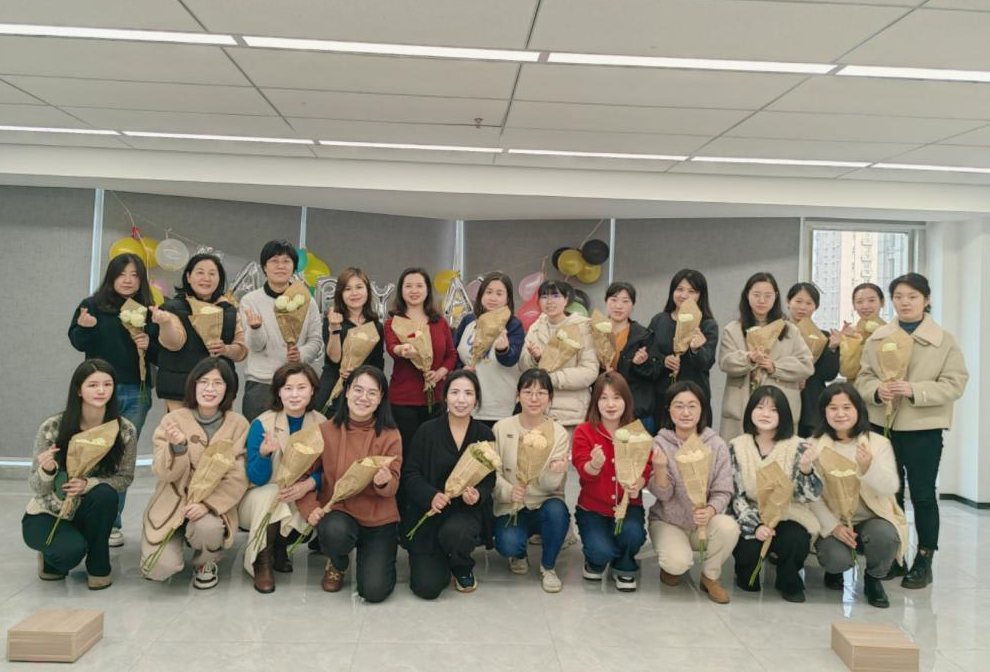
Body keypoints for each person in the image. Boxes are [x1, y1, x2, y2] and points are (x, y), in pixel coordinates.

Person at [855, 273, 968, 588]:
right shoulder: (877, 338)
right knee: (887, 493)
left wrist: (914, 389)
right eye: (899, 296)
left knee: (922, 495)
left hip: (922, 427)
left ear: (926, 300)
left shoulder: (943, 340)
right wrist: (877, 390)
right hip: (882, 425)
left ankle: (924, 559)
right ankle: (895, 556)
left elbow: (955, 383)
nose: (904, 302)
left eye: (912, 296)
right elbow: (862, 378)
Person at [68, 252, 163, 548]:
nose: (128, 280)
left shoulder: (148, 310)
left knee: (121, 459)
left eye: (134, 275)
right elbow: (77, 342)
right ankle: (82, 518)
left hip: (137, 391)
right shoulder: (92, 305)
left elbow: (161, 354)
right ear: (111, 276)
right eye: (122, 274)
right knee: (93, 453)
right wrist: (84, 328)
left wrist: (150, 344)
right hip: (99, 393)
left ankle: (111, 522)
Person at [23, 359, 137, 590]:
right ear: (78, 390)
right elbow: (37, 487)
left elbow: (125, 477)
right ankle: (52, 558)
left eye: (107, 384)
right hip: (49, 511)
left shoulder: (124, 430)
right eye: (93, 385)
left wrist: (89, 483)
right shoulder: (53, 427)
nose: (101, 390)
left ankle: (98, 565)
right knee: (69, 553)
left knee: (105, 494)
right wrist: (47, 470)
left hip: (90, 509)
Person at [140, 357, 249, 589]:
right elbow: (163, 472)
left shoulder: (238, 424)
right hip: (173, 501)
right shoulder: (172, 420)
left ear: (228, 389)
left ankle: (205, 562)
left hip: (211, 504)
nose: (210, 389)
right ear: (193, 385)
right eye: (203, 382)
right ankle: (163, 545)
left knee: (208, 528)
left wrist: (208, 505)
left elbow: (238, 476)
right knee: (159, 568)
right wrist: (177, 448)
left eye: (217, 383)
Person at [300, 365, 402, 602]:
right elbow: (302, 474)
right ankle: (338, 561)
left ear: (380, 399)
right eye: (358, 390)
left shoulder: (390, 435)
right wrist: (309, 507)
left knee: (374, 592)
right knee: (333, 530)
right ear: (346, 392)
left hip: (378, 519)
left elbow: (394, 485)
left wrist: (384, 482)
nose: (363, 398)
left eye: (372, 393)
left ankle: (378, 558)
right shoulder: (325, 431)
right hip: (340, 515)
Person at [809, 383, 908, 609]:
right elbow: (811, 497)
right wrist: (834, 527)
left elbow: (890, 487)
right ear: (824, 412)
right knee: (835, 559)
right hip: (835, 520)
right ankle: (835, 570)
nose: (840, 414)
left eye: (847, 407)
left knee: (885, 536)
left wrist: (868, 467)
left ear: (858, 410)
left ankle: (874, 578)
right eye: (833, 408)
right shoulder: (813, 445)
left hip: (870, 518)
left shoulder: (878, 443)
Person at [399, 370, 495, 598]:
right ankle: (440, 559)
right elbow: (410, 473)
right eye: (455, 392)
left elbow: (489, 478)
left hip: (463, 514)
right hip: (429, 511)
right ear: (445, 396)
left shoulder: (484, 434)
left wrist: (478, 495)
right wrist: (430, 495)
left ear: (476, 399)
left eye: (468, 393)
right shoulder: (427, 431)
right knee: (427, 588)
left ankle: (461, 564)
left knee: (457, 534)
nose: (461, 399)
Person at [238, 362, 326, 593]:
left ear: (312, 390)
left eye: (301, 388)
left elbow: (330, 470)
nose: (294, 394)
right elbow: (257, 478)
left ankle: (279, 547)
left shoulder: (322, 424)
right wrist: (264, 455)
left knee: (315, 505)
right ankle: (262, 561)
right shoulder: (262, 424)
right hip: (260, 499)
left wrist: (309, 484)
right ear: (278, 391)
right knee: (272, 493)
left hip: (299, 496)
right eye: (288, 388)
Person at [648, 381, 739, 604]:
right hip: (669, 521)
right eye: (678, 406)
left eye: (692, 406)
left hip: (703, 523)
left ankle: (710, 576)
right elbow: (663, 495)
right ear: (669, 409)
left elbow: (723, 490)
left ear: (702, 409)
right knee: (676, 564)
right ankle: (673, 564)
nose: (685, 412)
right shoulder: (659, 442)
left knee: (729, 527)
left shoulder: (716, 444)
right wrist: (660, 469)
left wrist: (710, 510)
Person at [728, 386, 821, 602]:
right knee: (748, 562)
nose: (765, 414)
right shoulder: (737, 445)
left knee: (795, 539)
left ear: (784, 415)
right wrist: (755, 526)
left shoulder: (798, 446)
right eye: (760, 407)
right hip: (751, 512)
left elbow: (808, 496)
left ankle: (789, 578)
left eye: (773, 410)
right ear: (750, 411)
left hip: (788, 513)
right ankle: (745, 571)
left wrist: (806, 468)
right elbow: (736, 495)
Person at [491, 369, 570, 593]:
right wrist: (508, 491)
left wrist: (555, 472)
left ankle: (548, 566)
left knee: (558, 512)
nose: (534, 399)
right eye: (528, 392)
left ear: (550, 397)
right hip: (512, 505)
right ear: (518, 395)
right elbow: (492, 472)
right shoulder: (501, 427)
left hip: (544, 502)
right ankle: (519, 554)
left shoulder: (559, 433)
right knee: (508, 544)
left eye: (541, 393)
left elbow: (552, 486)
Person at [572, 372, 651, 592]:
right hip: (593, 508)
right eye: (604, 398)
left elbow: (647, 466)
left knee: (633, 534)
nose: (610, 404)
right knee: (600, 551)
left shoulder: (637, 432)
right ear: (595, 402)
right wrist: (594, 465)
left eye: (617, 397)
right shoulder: (584, 431)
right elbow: (582, 469)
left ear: (626, 400)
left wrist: (639, 483)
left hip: (628, 507)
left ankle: (624, 563)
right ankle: (597, 560)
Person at [718, 272, 813, 441]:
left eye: (768, 296)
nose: (762, 301)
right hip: (741, 406)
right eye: (756, 295)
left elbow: (806, 365)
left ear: (775, 297)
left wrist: (775, 367)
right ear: (747, 295)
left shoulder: (790, 330)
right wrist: (748, 359)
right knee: (740, 452)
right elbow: (725, 362)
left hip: (779, 407)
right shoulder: (733, 329)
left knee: (779, 453)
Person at [240, 240, 324, 422]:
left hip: (297, 384)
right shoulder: (250, 300)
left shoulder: (306, 300)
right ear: (264, 267)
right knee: (260, 437)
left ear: (294, 266)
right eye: (274, 261)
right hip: (261, 384)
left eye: (286, 261)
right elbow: (255, 346)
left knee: (298, 437)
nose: (280, 266)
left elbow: (316, 340)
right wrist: (255, 329)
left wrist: (301, 354)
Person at [157, 253, 247, 413]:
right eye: (200, 272)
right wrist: (165, 323)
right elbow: (174, 343)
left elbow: (241, 351)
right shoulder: (172, 307)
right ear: (188, 277)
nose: (206, 278)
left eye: (212, 273)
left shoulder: (229, 310)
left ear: (219, 278)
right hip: (180, 391)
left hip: (218, 394)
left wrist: (225, 349)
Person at [385, 267, 457, 456]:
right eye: (408, 286)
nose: (414, 290)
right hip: (403, 400)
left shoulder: (440, 322)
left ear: (427, 290)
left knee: (432, 452)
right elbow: (392, 348)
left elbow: (451, 355)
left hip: (436, 398)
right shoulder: (394, 322)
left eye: (419, 285)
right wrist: (403, 350)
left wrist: (440, 373)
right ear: (401, 290)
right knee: (407, 452)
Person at [518, 280, 598, 437]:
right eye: (544, 296)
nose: (549, 301)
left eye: (555, 296)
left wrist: (551, 379)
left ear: (566, 300)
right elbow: (522, 367)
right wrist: (535, 359)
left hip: (571, 414)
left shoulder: (582, 328)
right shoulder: (535, 328)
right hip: (538, 412)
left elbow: (589, 371)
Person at [648, 269, 719, 429]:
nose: (684, 295)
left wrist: (696, 350)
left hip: (694, 398)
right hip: (662, 398)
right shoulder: (659, 320)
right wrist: (663, 361)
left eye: (691, 291)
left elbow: (707, 362)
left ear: (700, 295)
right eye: (679, 289)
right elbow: (649, 354)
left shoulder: (707, 324)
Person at [454, 271, 525, 426]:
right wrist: (461, 369)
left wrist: (503, 350)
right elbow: (454, 354)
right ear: (481, 295)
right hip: (465, 405)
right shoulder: (469, 321)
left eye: (499, 293)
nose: (493, 298)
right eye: (489, 292)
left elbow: (512, 360)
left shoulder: (513, 324)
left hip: (498, 409)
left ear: (507, 299)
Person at [313, 267, 385, 414]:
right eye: (348, 289)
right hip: (332, 384)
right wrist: (335, 328)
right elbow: (334, 358)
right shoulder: (332, 319)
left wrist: (360, 373)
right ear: (341, 294)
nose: (354, 293)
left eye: (359, 287)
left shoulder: (375, 325)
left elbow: (378, 364)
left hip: (362, 390)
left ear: (367, 291)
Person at [602, 281, 660, 433]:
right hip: (604, 409)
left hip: (636, 411)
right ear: (606, 302)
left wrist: (641, 363)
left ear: (633, 305)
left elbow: (655, 372)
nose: (618, 306)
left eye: (625, 301)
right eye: (614, 299)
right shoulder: (595, 332)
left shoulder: (644, 335)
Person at [786, 282, 840, 438]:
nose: (803, 307)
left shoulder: (822, 337)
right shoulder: (777, 331)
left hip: (811, 405)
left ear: (816, 307)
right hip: (783, 397)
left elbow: (829, 375)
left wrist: (832, 349)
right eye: (798, 301)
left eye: (809, 303)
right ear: (788, 301)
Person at [833, 282, 886, 382]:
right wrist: (853, 341)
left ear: (882, 302)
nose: (865, 306)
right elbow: (847, 371)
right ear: (854, 305)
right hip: (855, 388)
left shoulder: (892, 331)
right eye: (859, 302)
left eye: (871, 300)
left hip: (887, 388)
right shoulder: (849, 334)